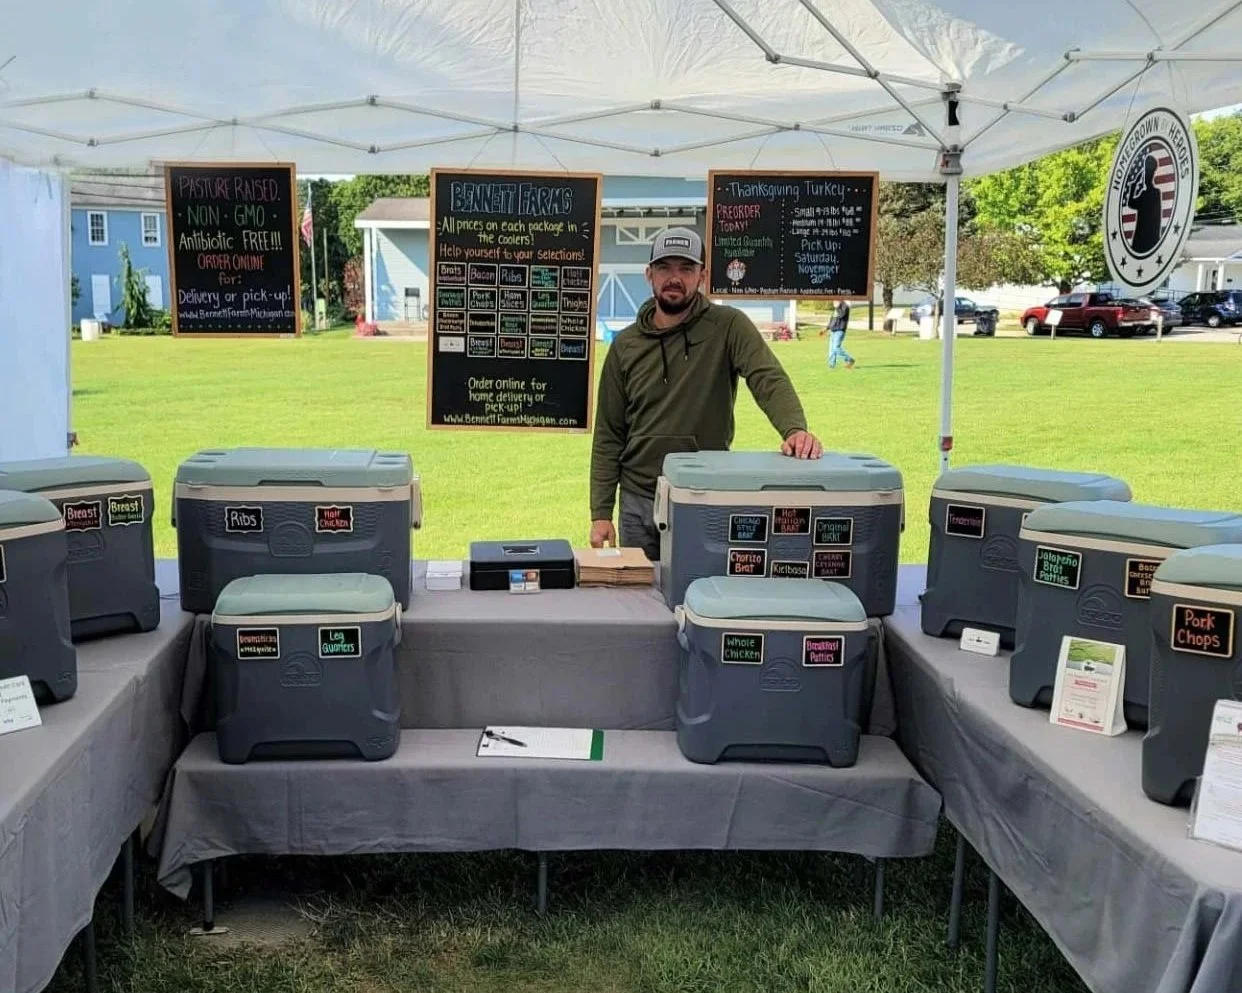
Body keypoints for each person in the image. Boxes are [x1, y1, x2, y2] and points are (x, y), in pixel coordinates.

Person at [589, 227, 823, 562]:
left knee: (705, 586)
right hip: (638, 501)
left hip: (704, 496)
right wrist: (601, 513)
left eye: (686, 268)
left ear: (702, 276)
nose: (674, 278)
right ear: (649, 274)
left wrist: (794, 429)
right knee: (640, 592)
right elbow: (609, 433)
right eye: (664, 268)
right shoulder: (625, 345)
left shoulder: (728, 326)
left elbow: (767, 376)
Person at [826, 299, 855, 369]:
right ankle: (831, 365)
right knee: (831, 349)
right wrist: (827, 328)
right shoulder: (837, 306)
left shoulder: (845, 306)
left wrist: (837, 307)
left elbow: (842, 315)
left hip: (840, 330)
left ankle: (849, 359)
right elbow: (833, 319)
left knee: (836, 348)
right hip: (833, 330)